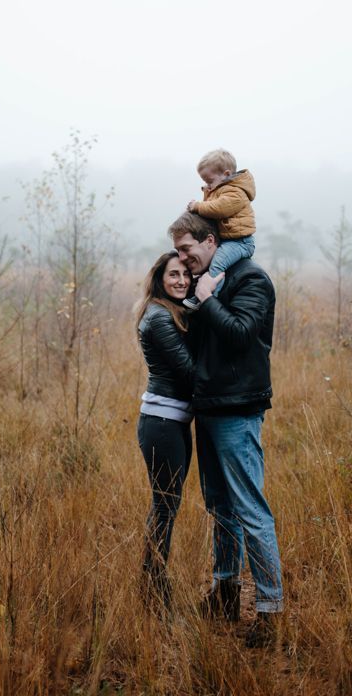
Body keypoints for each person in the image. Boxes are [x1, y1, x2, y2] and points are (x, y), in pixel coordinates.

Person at [168, 211, 283, 648]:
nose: (183, 257)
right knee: (220, 507)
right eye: (177, 251)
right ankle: (225, 593)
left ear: (211, 240)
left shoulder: (252, 280)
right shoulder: (203, 286)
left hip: (238, 409)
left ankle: (270, 611)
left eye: (187, 249)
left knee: (250, 508)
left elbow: (240, 334)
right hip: (208, 407)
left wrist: (207, 297)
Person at [134, 251, 195, 612]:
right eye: (174, 274)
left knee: (166, 505)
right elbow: (188, 371)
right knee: (164, 507)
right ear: (160, 277)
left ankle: (152, 584)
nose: (181, 280)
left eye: (186, 274)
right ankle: (154, 590)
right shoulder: (159, 316)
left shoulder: (168, 311)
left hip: (172, 422)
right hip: (162, 423)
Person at [182, 148, 256, 308]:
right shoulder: (220, 189)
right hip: (227, 240)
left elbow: (218, 209)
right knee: (207, 261)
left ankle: (208, 298)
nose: (207, 186)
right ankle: (197, 289)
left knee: (217, 265)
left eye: (209, 181)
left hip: (240, 242)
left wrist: (198, 206)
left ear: (227, 174)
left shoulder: (236, 192)